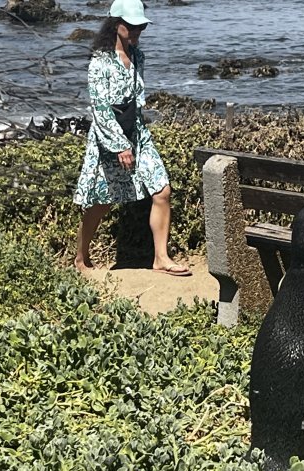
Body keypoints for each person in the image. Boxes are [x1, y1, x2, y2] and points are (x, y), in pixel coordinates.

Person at [73, 0, 190, 276]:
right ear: (116, 24)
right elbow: (100, 109)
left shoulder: (138, 56)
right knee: (101, 200)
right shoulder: (99, 63)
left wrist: (134, 139)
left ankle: (161, 258)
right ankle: (80, 257)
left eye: (141, 25)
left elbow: (136, 101)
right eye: (132, 25)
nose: (137, 30)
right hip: (109, 137)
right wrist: (119, 145)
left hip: (137, 133)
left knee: (162, 190)